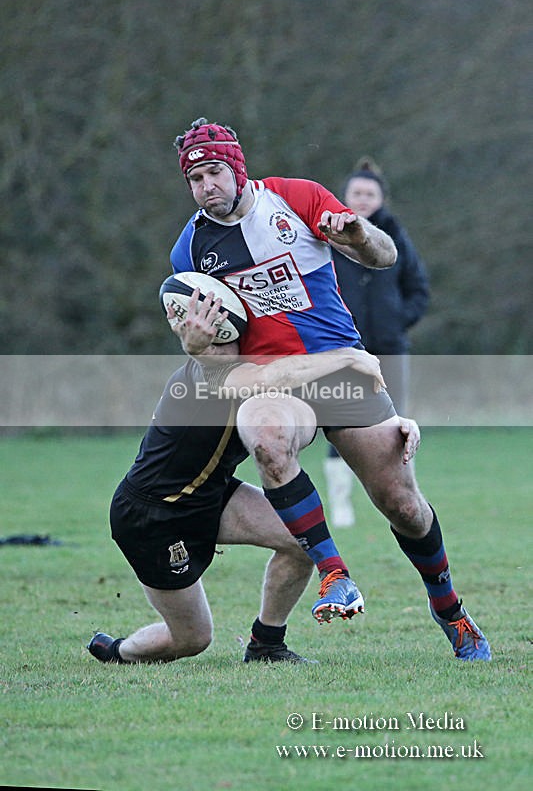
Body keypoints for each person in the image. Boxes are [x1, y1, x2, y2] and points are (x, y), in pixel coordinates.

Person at [169, 117, 491, 661]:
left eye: (215, 172)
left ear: (237, 168)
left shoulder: (295, 197)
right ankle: (334, 573)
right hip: (277, 383)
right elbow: (218, 363)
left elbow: (384, 257)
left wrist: (360, 236)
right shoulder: (192, 251)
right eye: (195, 179)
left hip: (343, 370)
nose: (206, 187)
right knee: (266, 439)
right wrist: (197, 343)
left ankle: (450, 610)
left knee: (403, 505)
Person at [87, 292, 394, 665]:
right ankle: (119, 651)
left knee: (301, 540)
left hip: (214, 494)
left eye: (230, 334)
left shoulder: (254, 364)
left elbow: (331, 406)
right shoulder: (218, 374)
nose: (226, 343)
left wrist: (396, 425)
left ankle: (266, 644)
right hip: (153, 514)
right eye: (218, 336)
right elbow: (271, 376)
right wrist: (348, 356)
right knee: (191, 638)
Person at [325, 157, 430, 528]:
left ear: (382, 198)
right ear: (345, 196)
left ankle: (406, 497)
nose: (363, 199)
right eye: (357, 193)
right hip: (344, 349)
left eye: (370, 193)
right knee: (339, 423)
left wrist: (396, 323)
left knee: (397, 426)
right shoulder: (329, 235)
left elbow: (419, 289)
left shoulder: (396, 237)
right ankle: (341, 505)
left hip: (389, 348)